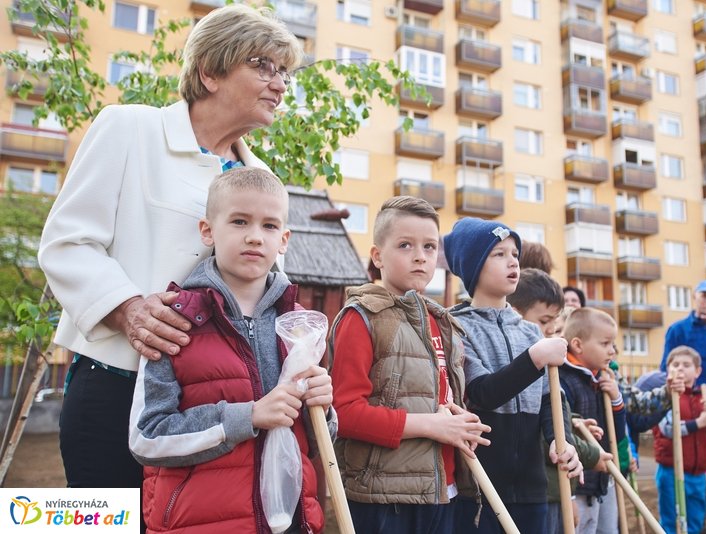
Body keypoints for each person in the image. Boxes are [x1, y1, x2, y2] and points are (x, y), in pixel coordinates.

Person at [37, 4, 304, 495]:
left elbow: (264, 293)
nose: (280, 83)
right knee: (100, 526)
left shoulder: (264, 180)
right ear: (210, 71)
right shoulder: (129, 129)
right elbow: (67, 242)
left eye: (284, 72)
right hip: (113, 388)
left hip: (215, 407)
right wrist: (127, 308)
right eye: (263, 66)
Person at [128, 168, 332, 533]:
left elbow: (316, 442)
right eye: (240, 221)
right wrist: (248, 416)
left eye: (269, 226)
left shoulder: (300, 325)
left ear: (284, 239)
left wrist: (325, 409)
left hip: (288, 521)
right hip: (199, 522)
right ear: (208, 230)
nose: (255, 237)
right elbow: (147, 438)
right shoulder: (173, 320)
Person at [329, 197, 490, 533]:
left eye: (430, 247)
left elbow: (436, 399)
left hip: (443, 489)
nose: (420, 256)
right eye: (405, 245)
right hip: (384, 498)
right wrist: (432, 425)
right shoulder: (362, 318)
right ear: (377, 256)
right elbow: (344, 413)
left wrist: (458, 418)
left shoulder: (441, 321)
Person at [443, 217, 582, 534]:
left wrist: (562, 441)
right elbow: (482, 392)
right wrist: (534, 358)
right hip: (481, 487)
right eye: (499, 254)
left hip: (532, 487)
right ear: (473, 266)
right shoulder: (456, 327)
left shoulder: (530, 330)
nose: (512, 262)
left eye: (515, 254)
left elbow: (551, 399)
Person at [508, 270, 606, 533]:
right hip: (537, 487)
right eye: (545, 321)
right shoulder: (519, 366)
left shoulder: (548, 368)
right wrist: (592, 453)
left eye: (555, 322)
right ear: (515, 314)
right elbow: (540, 430)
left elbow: (555, 414)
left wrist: (572, 422)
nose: (551, 330)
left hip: (548, 486)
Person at [559, 307, 626, 533]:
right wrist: (568, 493)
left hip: (600, 482)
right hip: (578, 484)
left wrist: (616, 400)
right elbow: (563, 435)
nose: (612, 351)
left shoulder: (601, 379)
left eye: (613, 344)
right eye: (605, 343)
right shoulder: (564, 379)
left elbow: (616, 435)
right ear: (578, 345)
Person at [654, 345, 706, 534]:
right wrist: (698, 423)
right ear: (668, 370)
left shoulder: (704, 398)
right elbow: (667, 428)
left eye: (686, 365)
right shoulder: (666, 396)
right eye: (675, 364)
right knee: (671, 519)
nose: (680, 368)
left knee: (695, 519)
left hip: (698, 472)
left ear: (698, 371)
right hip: (671, 471)